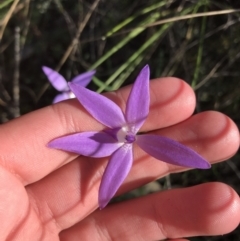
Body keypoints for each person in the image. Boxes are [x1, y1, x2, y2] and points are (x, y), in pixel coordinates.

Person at [0, 76, 239, 241]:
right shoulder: (115, 129)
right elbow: (83, 115)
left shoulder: (133, 145)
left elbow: (169, 150)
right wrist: (61, 139)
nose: (127, 136)